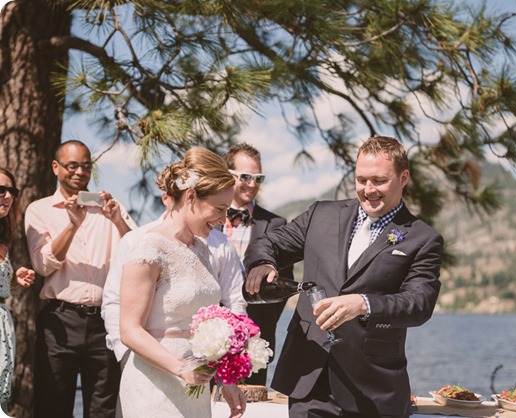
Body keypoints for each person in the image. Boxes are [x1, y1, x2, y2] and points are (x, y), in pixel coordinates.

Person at [244, 136, 444, 418]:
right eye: (361, 180)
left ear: (404, 177)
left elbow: (419, 303)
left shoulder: (423, 238)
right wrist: (263, 262)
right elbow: (268, 243)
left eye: (379, 180)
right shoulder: (320, 214)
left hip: (373, 389)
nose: (368, 190)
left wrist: (364, 304)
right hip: (308, 376)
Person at [118, 148, 246, 418]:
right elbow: (129, 330)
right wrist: (179, 367)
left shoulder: (201, 249)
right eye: (219, 209)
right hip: (155, 385)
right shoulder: (148, 248)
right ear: (191, 197)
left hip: (195, 385)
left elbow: (209, 322)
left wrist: (226, 379)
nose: (224, 219)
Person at [24, 140, 137, 418]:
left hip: (104, 322)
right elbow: (42, 264)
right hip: (60, 320)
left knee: (104, 408)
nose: (79, 172)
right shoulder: (39, 209)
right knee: (53, 405)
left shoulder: (111, 208)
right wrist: (72, 225)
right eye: (72, 165)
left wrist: (117, 220)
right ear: (56, 167)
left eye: (86, 166)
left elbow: (138, 254)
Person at [220, 143, 294, 386]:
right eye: (245, 177)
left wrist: (263, 317)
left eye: (257, 178)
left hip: (256, 331)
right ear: (228, 175)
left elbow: (283, 284)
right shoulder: (207, 219)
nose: (252, 184)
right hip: (208, 328)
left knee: (250, 401)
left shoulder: (276, 224)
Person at [0, 168, 35, 414]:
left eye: (11, 190)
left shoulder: (3, 240)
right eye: (1, 189)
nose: (7, 196)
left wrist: (12, 278)